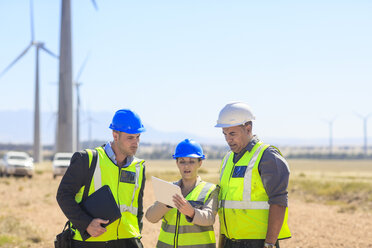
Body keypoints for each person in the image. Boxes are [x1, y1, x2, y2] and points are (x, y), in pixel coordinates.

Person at [56, 109, 146, 248]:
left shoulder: (138, 167)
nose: (135, 143)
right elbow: (63, 195)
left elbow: (138, 209)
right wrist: (86, 224)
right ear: (115, 136)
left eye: (138, 137)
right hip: (92, 242)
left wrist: (136, 233)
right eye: (130, 138)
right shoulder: (87, 159)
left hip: (128, 241)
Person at [215, 102, 291, 248]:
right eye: (224, 134)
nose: (228, 139)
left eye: (232, 134)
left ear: (248, 128)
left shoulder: (267, 156)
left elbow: (279, 202)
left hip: (258, 243)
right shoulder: (227, 159)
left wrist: (269, 244)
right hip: (230, 243)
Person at [145, 139, 219, 248]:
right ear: (177, 163)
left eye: (191, 161)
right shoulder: (168, 188)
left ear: (200, 163)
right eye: (182, 161)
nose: (186, 166)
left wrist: (192, 212)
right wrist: (165, 204)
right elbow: (150, 217)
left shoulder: (210, 189)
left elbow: (209, 218)